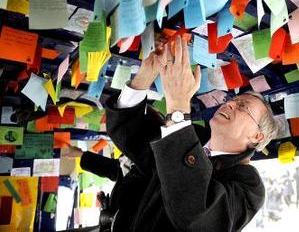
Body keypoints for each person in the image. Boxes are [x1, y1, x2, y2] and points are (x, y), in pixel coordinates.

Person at [101, 36, 279, 231]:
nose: (229, 103)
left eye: (243, 106)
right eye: (233, 99)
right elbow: (130, 135)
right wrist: (145, 75)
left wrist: (178, 109)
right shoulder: (193, 134)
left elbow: (197, 218)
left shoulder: (250, 187)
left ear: (257, 136)